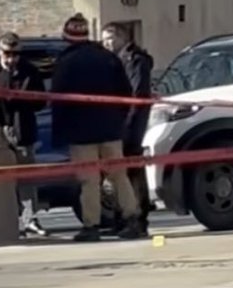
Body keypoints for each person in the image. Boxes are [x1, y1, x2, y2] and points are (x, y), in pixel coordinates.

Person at [49, 13, 144, 242]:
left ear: (67, 37)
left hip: (81, 133)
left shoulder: (66, 62)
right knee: (119, 176)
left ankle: (91, 226)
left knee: (89, 180)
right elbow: (125, 92)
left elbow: (58, 100)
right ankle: (132, 219)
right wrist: (119, 120)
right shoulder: (107, 58)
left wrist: (60, 133)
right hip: (111, 129)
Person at [0, 33, 48, 237]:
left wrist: (22, 98)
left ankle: (30, 218)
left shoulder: (29, 71)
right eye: (8, 53)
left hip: (23, 129)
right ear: (0, 52)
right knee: (3, 179)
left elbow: (41, 102)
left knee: (26, 177)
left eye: (16, 54)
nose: (12, 58)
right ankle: (10, 219)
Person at [101, 22, 155, 238]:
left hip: (131, 124)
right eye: (104, 39)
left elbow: (137, 96)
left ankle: (138, 218)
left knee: (132, 171)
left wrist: (127, 123)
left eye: (110, 39)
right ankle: (122, 217)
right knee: (119, 173)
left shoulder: (134, 60)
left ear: (122, 38)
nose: (106, 43)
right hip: (119, 122)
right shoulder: (115, 61)